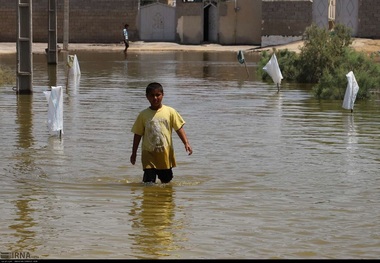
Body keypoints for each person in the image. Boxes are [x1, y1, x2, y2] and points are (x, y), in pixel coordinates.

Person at [130, 82, 193, 184]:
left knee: (166, 182)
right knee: (149, 182)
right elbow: (137, 134)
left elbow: (179, 128)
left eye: (158, 95)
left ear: (162, 95)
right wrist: (134, 153)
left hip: (165, 153)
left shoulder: (170, 111)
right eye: (152, 95)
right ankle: (149, 200)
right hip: (148, 153)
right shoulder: (143, 115)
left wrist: (186, 143)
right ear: (147, 97)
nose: (155, 98)